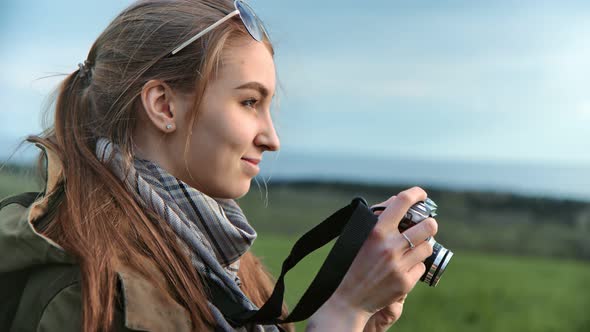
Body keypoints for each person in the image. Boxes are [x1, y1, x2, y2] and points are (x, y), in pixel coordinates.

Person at [0, 0, 438, 331]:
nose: (272, 138)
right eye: (249, 102)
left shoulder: (222, 261)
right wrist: (343, 312)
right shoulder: (86, 289)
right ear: (163, 105)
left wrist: (356, 319)